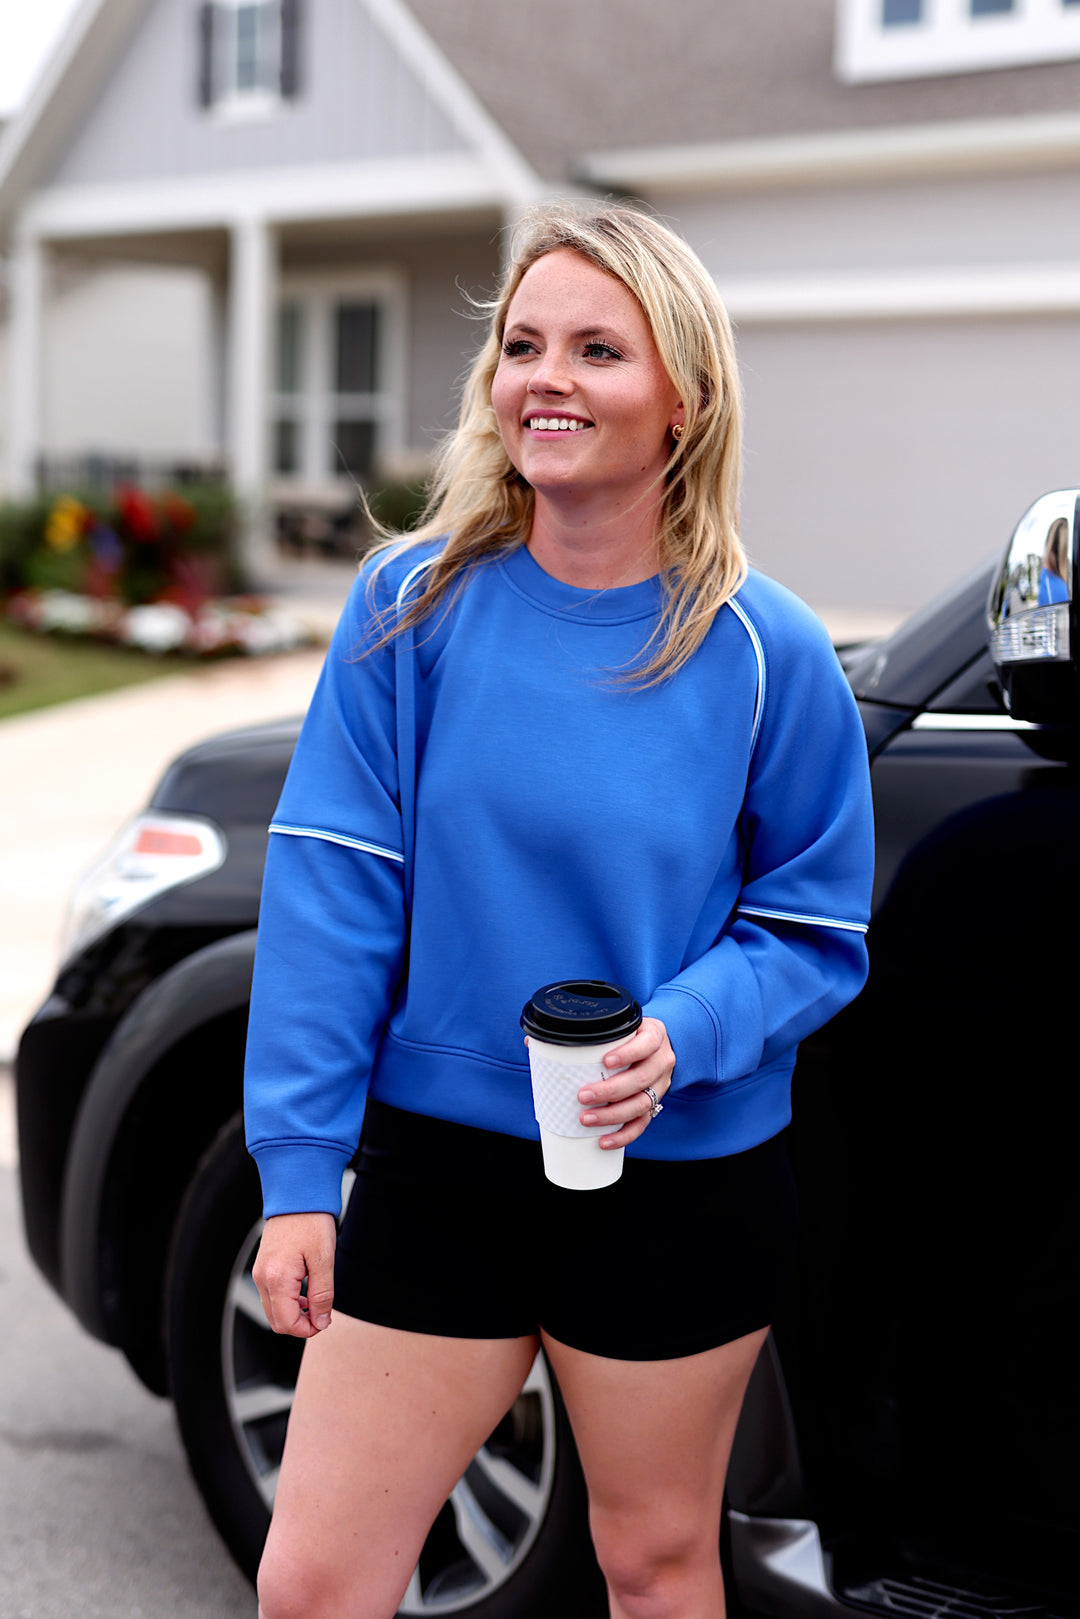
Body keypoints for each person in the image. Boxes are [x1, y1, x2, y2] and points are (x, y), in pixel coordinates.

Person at [245, 202, 875, 1619]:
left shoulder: (770, 651)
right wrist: (299, 1173)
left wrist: (689, 1030)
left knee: (652, 1570)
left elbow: (816, 928)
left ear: (684, 401)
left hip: (680, 1179)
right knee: (316, 1584)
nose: (549, 378)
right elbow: (334, 891)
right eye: (524, 344)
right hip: (440, 1172)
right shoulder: (411, 607)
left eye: (600, 349)